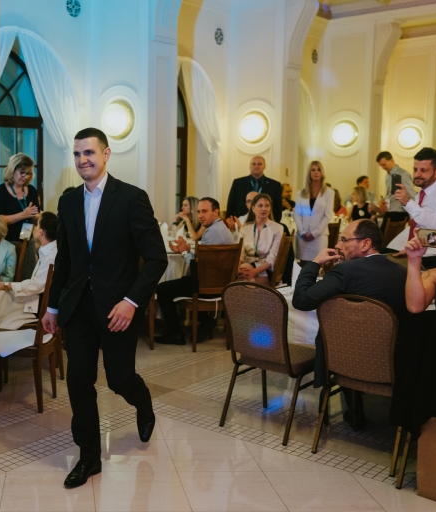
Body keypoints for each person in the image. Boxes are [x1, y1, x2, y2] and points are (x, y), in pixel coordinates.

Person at [41, 128, 167, 489]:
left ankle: (143, 404)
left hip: (117, 309)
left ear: (106, 154)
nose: (83, 160)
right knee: (78, 380)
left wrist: (131, 302)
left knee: (119, 378)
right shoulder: (68, 201)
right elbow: (65, 260)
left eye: (89, 153)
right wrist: (53, 307)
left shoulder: (130, 198)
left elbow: (156, 259)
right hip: (79, 308)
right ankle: (89, 457)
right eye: (77, 154)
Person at [292, 219, 409, 429]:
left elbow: (301, 300)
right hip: (393, 365)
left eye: (344, 240)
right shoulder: (402, 272)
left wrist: (315, 263)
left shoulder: (345, 272)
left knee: (346, 338)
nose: (339, 245)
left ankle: (355, 411)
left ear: (365, 243)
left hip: (346, 363)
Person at [155, 197, 234, 345]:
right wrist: (183, 251)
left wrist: (185, 252)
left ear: (216, 212)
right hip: (217, 281)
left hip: (207, 284)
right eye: (198, 212)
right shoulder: (218, 228)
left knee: (162, 289)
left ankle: (176, 334)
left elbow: (198, 266)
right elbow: (204, 260)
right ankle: (207, 320)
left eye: (204, 211)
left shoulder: (213, 232)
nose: (200, 216)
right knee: (179, 282)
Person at [0, 212, 58, 330]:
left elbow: (35, 286)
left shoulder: (51, 255)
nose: (34, 228)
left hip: (38, 306)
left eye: (37, 225)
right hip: (34, 299)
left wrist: (7, 285)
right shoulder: (47, 250)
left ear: (41, 232)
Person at [389, 147, 436, 269]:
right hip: (417, 251)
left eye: (423, 170)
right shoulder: (421, 193)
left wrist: (407, 203)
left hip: (433, 257)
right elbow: (418, 224)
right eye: (415, 169)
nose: (417, 174)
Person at [0, 153, 40, 241]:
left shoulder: (31, 190)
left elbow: (37, 214)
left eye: (28, 173)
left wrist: (36, 216)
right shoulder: (0, 191)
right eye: (22, 173)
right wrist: (23, 214)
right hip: (6, 241)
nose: (26, 177)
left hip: (27, 240)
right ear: (12, 171)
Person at [237, 194, 283, 285]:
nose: (264, 209)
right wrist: (238, 269)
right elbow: (240, 254)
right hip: (247, 266)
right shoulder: (245, 228)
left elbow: (272, 257)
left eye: (267, 205)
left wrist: (254, 271)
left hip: (266, 268)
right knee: (245, 271)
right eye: (260, 206)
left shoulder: (277, 228)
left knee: (245, 281)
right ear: (253, 208)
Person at [294, 161, 334, 265]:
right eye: (313, 170)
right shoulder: (301, 192)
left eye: (318, 170)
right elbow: (297, 213)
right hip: (303, 235)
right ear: (309, 173)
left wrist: (315, 233)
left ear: (322, 173)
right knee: (303, 267)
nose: (316, 172)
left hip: (319, 236)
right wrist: (302, 232)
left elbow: (327, 215)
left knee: (318, 265)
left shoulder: (329, 192)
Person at [225, 156, 283, 222]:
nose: (256, 166)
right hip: (242, 222)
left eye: (259, 164)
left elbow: (278, 209)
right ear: (249, 166)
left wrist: (274, 224)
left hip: (266, 223)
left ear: (264, 166)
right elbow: (231, 205)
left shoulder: (275, 185)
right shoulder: (238, 183)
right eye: (253, 164)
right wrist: (231, 222)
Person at [377, 151, 415, 232]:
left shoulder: (403, 174)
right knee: (381, 235)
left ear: (391, 160)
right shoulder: (388, 176)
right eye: (381, 166)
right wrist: (383, 201)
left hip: (399, 212)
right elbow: (390, 194)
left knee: (382, 237)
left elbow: (411, 195)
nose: (383, 167)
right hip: (390, 211)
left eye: (384, 164)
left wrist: (412, 216)